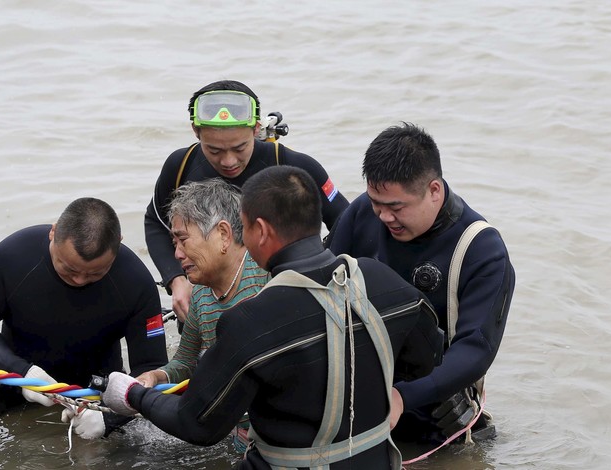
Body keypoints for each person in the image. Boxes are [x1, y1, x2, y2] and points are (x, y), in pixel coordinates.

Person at [103, 166, 443, 469]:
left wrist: (133, 395)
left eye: (245, 228)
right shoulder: (383, 281)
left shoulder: (251, 319)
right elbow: (429, 359)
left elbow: (197, 425)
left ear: (260, 231)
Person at [325, 122, 515, 450]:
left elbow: (476, 349)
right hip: (360, 404)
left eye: (397, 207)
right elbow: (321, 286)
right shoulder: (362, 213)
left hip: (438, 421)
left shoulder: (482, 250)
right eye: (376, 203)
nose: (383, 217)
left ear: (434, 191)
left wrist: (402, 397)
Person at [0, 197, 168, 440]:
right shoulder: (13, 255)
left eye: (95, 273)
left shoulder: (136, 282)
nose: (79, 280)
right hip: (17, 379)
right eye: (69, 269)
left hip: (94, 390)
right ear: (53, 233)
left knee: (130, 441)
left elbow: (151, 370)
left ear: (118, 244)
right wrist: (22, 372)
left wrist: (108, 419)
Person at [145, 80, 350, 325]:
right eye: (214, 150)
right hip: (206, 309)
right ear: (195, 131)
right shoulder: (180, 166)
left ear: (256, 128)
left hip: (284, 304)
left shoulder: (296, 167)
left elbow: (347, 221)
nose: (228, 161)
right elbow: (155, 222)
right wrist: (176, 280)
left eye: (239, 147)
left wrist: (324, 278)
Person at [135, 178, 271, 453]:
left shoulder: (267, 275)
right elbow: (185, 364)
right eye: (174, 243)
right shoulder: (200, 295)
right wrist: (155, 377)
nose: (176, 254)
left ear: (223, 234)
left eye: (183, 240)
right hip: (231, 433)